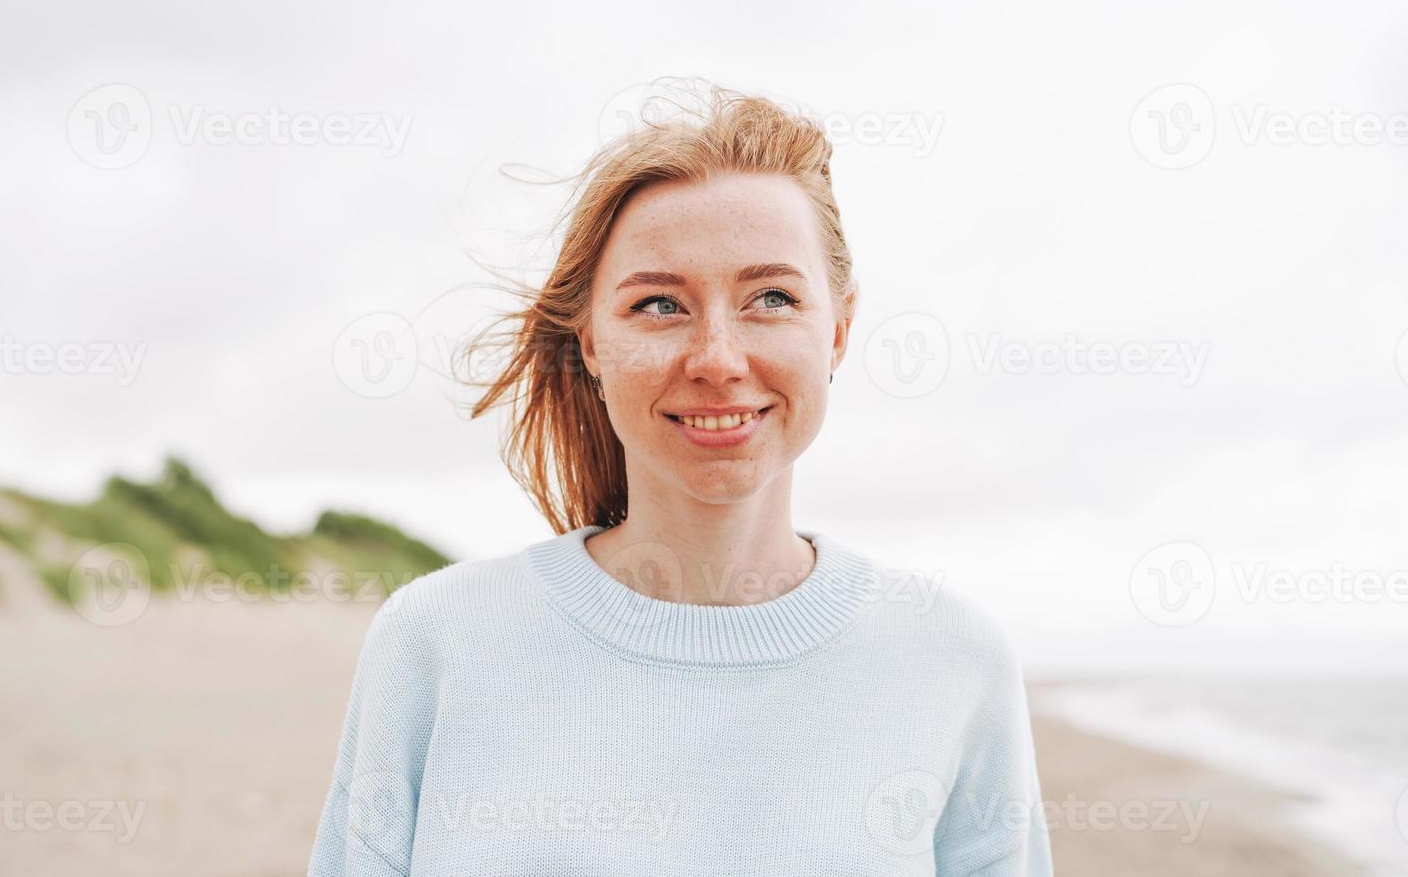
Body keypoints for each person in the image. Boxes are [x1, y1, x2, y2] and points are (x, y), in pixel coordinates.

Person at [306, 80, 1053, 875]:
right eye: (660, 305)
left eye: (771, 297)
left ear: (836, 330)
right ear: (590, 342)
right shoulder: (437, 644)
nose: (718, 360)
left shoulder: (951, 660)